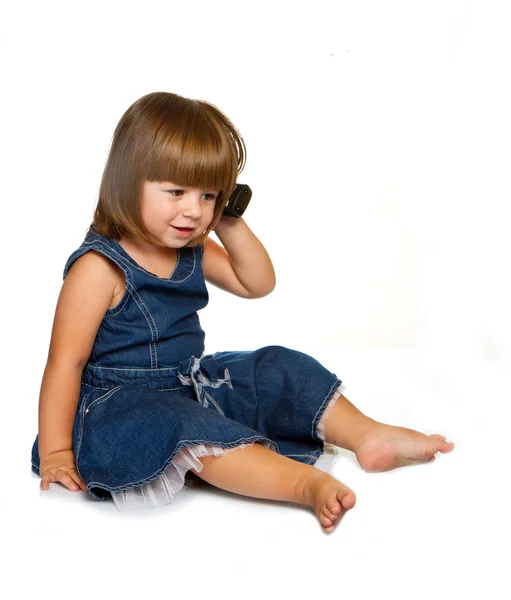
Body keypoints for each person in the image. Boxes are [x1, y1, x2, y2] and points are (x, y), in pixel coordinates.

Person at [31, 91, 455, 533]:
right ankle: (302, 483)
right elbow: (66, 363)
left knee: (275, 366)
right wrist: (58, 451)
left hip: (188, 381)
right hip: (121, 406)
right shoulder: (98, 267)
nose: (193, 211)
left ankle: (365, 433)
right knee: (187, 426)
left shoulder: (192, 245)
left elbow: (257, 283)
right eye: (176, 191)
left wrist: (229, 221)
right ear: (125, 181)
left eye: (209, 196)